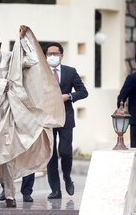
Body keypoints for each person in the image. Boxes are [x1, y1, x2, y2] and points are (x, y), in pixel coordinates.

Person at [0, 26, 65, 209]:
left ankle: (10, 196)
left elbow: (33, 61)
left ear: (0, 45)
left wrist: (23, 39)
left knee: (7, 158)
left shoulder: (10, 58)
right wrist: (1, 85)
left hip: (7, 117)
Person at [45, 42, 88, 199]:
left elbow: (83, 92)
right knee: (51, 155)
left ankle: (67, 178)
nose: (51, 57)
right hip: (48, 118)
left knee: (65, 152)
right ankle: (55, 190)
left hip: (66, 118)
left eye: (54, 54)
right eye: (49, 54)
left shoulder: (70, 72)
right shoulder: (41, 73)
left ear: (61, 56)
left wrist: (69, 96)